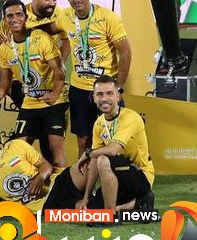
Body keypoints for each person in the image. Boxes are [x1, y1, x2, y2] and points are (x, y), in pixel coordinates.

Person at [40, 76, 154, 218]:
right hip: (115, 176)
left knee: (103, 159)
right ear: (93, 98)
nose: (104, 99)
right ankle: (133, 205)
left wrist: (88, 153)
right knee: (83, 204)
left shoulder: (130, 117)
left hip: (139, 175)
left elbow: (113, 150)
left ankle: (112, 214)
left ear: (118, 96)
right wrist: (86, 197)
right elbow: (93, 162)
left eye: (109, 93)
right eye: (99, 94)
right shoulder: (99, 123)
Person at [0, 0, 66, 168]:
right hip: (29, 105)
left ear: (26, 17)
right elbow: (4, 84)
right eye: (10, 16)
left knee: (56, 154)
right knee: (15, 152)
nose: (15, 19)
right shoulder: (5, 49)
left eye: (19, 14)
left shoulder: (41, 38)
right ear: (4, 20)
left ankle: (59, 185)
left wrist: (54, 94)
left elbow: (60, 72)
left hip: (54, 104)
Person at [59, 0, 131, 154]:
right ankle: (84, 173)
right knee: (83, 142)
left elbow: (125, 52)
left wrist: (119, 87)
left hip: (106, 90)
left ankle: (111, 172)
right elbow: (52, 30)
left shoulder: (108, 18)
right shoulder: (64, 16)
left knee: (113, 141)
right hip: (79, 90)